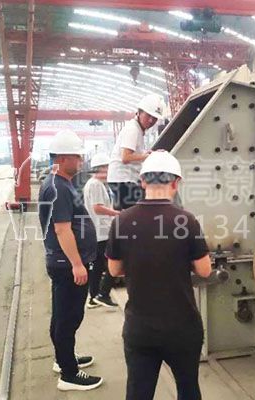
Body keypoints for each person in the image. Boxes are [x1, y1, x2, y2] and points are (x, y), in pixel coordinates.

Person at [106, 150, 212, 400]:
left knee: (139, 392)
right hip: (182, 327)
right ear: (176, 183)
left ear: (142, 182)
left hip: (140, 328)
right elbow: (205, 270)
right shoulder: (186, 221)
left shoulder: (122, 221)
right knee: (188, 388)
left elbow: (114, 270)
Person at [38, 131, 103, 391]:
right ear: (63, 158)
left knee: (62, 315)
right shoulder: (58, 187)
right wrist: (77, 264)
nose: (81, 161)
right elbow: (62, 229)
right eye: (77, 157)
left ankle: (63, 357)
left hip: (64, 263)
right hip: (67, 265)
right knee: (68, 318)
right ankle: (69, 374)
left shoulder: (60, 183)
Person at [107, 94, 164, 210]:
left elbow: (133, 153)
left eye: (154, 118)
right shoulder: (133, 129)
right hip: (124, 180)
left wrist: (148, 153)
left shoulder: (137, 129)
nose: (151, 120)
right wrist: (148, 156)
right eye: (148, 116)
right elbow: (126, 157)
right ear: (139, 112)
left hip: (122, 180)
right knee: (140, 212)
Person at [83, 153, 120, 308]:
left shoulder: (94, 184)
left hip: (99, 231)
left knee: (98, 265)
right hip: (101, 231)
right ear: (100, 168)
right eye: (107, 168)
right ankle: (102, 294)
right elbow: (97, 208)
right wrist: (117, 213)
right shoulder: (96, 185)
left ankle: (94, 297)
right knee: (113, 260)